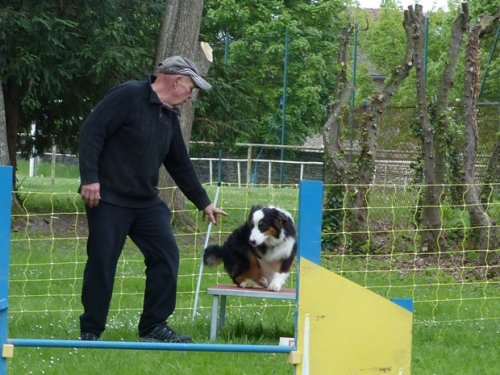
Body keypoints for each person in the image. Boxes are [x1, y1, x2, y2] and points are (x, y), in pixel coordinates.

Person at [78, 56, 227, 343]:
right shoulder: (128, 96)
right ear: (176, 81)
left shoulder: (168, 115)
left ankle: (153, 327)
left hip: (146, 202)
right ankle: (91, 331)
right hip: (108, 198)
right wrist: (89, 178)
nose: (191, 95)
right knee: (102, 262)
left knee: (166, 256)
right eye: (191, 88)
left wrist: (204, 202)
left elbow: (179, 163)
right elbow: (92, 132)